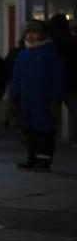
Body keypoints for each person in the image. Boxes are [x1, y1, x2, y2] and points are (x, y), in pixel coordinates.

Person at [9, 20, 67, 171]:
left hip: (43, 100)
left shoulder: (49, 53)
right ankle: (32, 159)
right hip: (27, 101)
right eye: (28, 33)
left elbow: (58, 78)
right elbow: (16, 78)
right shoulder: (23, 55)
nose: (31, 36)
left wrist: (56, 99)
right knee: (30, 131)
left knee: (44, 131)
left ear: (42, 34)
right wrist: (13, 98)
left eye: (34, 32)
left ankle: (44, 161)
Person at [47, 14, 77, 147]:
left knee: (49, 113)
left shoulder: (51, 45)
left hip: (55, 84)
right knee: (74, 111)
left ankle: (47, 138)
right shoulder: (73, 42)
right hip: (73, 83)